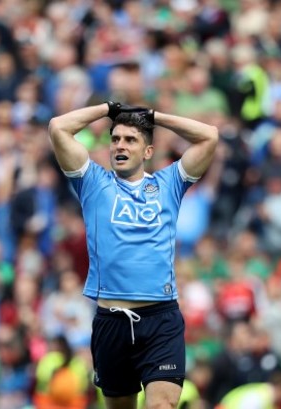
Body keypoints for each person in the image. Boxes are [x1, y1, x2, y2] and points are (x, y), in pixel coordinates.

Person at [48, 101, 218, 408]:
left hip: (160, 318)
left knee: (161, 405)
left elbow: (209, 136)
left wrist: (154, 118)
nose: (120, 146)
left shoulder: (169, 184)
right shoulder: (93, 183)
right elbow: (58, 127)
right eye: (115, 139)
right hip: (111, 321)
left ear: (148, 151)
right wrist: (107, 109)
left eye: (130, 139)